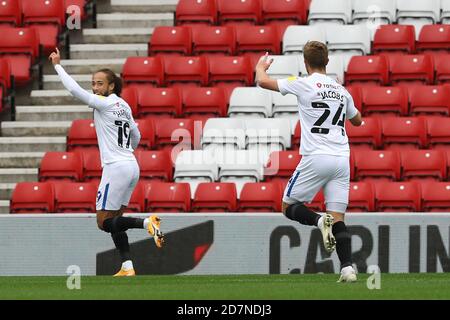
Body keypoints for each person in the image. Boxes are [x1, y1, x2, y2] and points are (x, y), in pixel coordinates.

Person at [49, 48, 164, 277]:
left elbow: (74, 90)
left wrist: (57, 66)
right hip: (131, 165)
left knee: (103, 222)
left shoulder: (104, 103)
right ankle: (127, 266)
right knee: (116, 220)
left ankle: (146, 223)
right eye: (93, 83)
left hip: (115, 168)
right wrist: (126, 150)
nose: (95, 88)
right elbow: (137, 135)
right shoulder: (123, 105)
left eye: (99, 83)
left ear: (111, 86)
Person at [255, 42, 362, 283]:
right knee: (338, 218)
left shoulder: (302, 82)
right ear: (327, 62)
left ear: (305, 63)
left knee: (287, 206)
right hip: (342, 159)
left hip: (316, 156)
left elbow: (263, 82)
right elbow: (358, 120)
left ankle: (317, 220)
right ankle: (348, 268)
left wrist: (260, 67)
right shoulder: (341, 90)